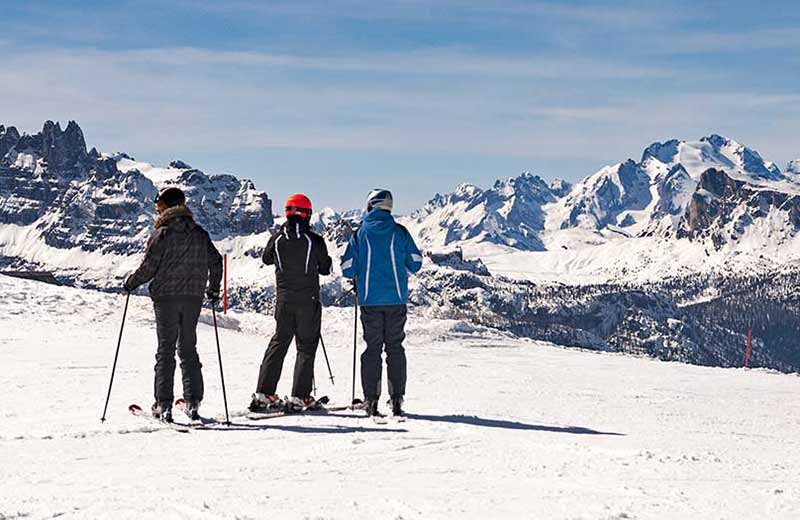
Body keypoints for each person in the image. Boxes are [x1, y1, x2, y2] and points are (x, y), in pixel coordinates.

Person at [124, 186, 223, 422]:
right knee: (188, 349)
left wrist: (131, 283)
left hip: (166, 299)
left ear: (168, 207)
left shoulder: (163, 234)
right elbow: (216, 261)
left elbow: (149, 267)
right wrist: (213, 290)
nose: (157, 212)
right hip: (193, 298)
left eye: (159, 208)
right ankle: (193, 403)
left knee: (165, 351)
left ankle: (163, 405)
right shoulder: (200, 233)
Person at [341, 189, 423, 418]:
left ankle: (371, 401)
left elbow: (347, 267)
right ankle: (396, 400)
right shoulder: (400, 232)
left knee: (373, 349)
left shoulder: (360, 233)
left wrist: (361, 273)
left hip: (369, 301)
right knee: (395, 348)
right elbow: (416, 262)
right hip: (396, 300)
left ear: (370, 205)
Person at [249, 194, 332, 413]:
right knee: (305, 346)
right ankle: (300, 396)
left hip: (283, 301)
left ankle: (264, 393)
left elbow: (267, 259)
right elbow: (325, 268)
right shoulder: (314, 241)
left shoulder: (277, 239)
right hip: (308, 301)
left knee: (279, 343)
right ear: (307, 214)